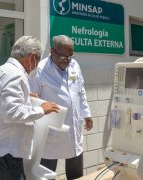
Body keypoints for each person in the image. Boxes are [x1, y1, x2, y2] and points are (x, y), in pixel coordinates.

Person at [0, 36, 60, 180]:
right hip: (4, 154)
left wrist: (25, 96)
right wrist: (42, 110)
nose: (37, 65)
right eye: (38, 60)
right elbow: (11, 113)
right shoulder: (15, 75)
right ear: (32, 57)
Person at [29, 35, 93, 179]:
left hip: (73, 128)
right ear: (52, 51)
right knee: (47, 173)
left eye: (69, 56)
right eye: (62, 56)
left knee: (76, 173)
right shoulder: (39, 69)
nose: (66, 60)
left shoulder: (74, 65)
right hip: (49, 130)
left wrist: (86, 113)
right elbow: (32, 99)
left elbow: (80, 91)